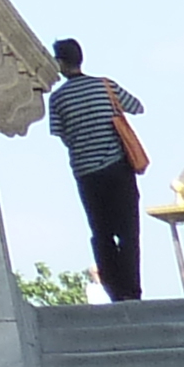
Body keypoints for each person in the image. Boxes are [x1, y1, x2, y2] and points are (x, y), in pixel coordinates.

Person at [48, 38, 149, 302]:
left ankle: (115, 290)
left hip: (86, 174)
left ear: (59, 62)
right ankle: (133, 290)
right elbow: (137, 107)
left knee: (101, 234)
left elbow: (60, 133)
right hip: (118, 169)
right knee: (129, 232)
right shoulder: (105, 86)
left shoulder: (58, 98)